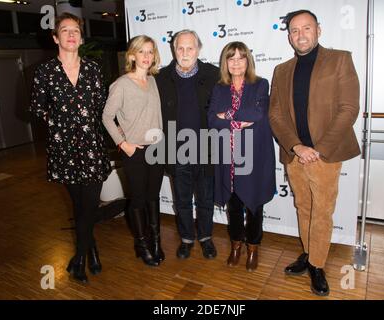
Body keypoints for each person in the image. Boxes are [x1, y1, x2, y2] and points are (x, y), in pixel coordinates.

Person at [269, 9, 360, 296]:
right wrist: (296, 146)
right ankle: (309, 254)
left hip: (325, 155)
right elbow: (275, 115)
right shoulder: (281, 70)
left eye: (306, 28)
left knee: (322, 212)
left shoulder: (340, 59)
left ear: (318, 30)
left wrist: (317, 150)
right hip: (295, 154)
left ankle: (317, 265)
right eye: (294, 31)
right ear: (289, 37)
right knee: (303, 208)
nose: (300, 35)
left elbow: (349, 109)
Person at [30, 12, 125, 283]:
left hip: (92, 148)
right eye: (65, 30)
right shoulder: (44, 72)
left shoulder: (94, 68)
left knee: (89, 207)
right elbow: (36, 108)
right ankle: (92, 251)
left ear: (81, 37)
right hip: (64, 152)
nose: (71, 34)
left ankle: (80, 258)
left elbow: (103, 108)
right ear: (55, 37)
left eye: (76, 30)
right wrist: (58, 121)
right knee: (81, 208)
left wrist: (119, 136)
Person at [208, 42, 276, 272]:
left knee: (254, 206)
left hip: (252, 158)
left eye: (241, 58)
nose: (236, 62)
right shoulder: (219, 89)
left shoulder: (260, 85)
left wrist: (226, 116)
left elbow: (257, 113)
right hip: (228, 159)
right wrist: (236, 119)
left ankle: (253, 248)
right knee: (234, 206)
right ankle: (236, 244)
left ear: (248, 61)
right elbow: (211, 120)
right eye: (231, 58)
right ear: (225, 63)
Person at [155, 30, 220, 259]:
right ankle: (186, 239)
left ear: (198, 49)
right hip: (176, 151)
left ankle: (205, 237)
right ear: (174, 50)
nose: (185, 53)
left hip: (206, 149)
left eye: (190, 48)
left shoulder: (214, 75)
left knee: (205, 200)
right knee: (182, 201)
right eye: (180, 48)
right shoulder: (161, 78)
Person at [102, 35, 164, 267]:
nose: (147, 56)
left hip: (156, 149)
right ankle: (141, 244)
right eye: (142, 51)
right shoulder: (121, 84)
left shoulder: (153, 81)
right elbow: (107, 117)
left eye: (150, 51)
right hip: (134, 151)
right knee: (138, 199)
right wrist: (123, 143)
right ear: (132, 56)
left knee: (153, 197)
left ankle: (156, 240)